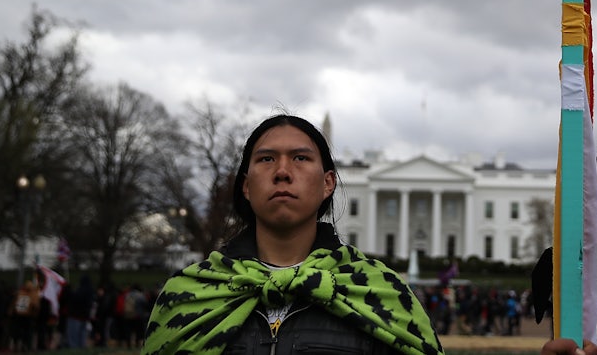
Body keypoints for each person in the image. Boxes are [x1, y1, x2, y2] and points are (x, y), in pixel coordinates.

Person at [143, 113, 444, 355]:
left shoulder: (384, 294)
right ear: (246, 186)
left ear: (328, 183)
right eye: (266, 159)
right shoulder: (188, 296)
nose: (283, 171)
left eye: (300, 158)